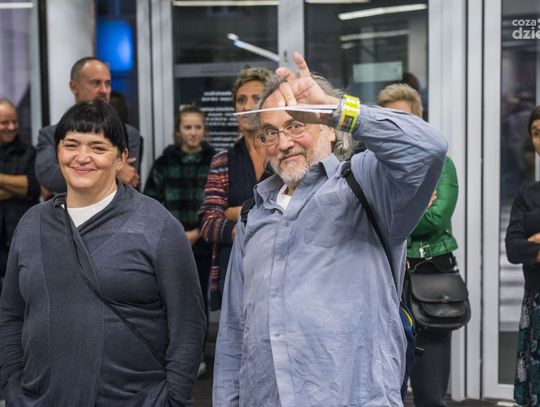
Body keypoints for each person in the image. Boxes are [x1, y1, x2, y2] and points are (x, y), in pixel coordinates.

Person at [212, 52, 447, 406]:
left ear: (329, 128)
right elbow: (233, 332)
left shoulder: (366, 185)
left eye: (297, 124)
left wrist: (337, 109)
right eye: (270, 132)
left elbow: (429, 148)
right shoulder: (253, 215)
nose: (283, 143)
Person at [0, 100, 205, 405]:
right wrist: (11, 385)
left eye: (98, 147)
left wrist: (172, 398)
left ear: (122, 159)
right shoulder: (32, 224)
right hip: (37, 398)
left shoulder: (158, 226)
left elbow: (187, 323)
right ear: (57, 152)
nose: (82, 157)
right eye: (71, 145)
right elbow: (10, 315)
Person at [378, 83, 459, 407]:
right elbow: (371, 220)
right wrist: (414, 207)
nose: (395, 128)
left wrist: (391, 215)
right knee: (387, 389)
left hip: (429, 280)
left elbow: (436, 218)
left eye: (403, 119)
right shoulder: (372, 167)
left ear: (419, 120)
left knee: (429, 392)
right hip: (386, 283)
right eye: (388, 120)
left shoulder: (440, 164)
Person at [144, 104, 215, 377]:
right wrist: (173, 235)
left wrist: (196, 233)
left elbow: (217, 203)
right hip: (169, 245)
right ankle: (172, 356)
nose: (193, 132)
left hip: (204, 243)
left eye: (198, 127)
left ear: (204, 130)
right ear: (178, 131)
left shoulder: (214, 161)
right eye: (187, 127)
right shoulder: (164, 163)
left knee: (198, 302)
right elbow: (151, 202)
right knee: (170, 301)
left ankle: (197, 356)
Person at [199, 66, 272, 310]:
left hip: (280, 272)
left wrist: (234, 212)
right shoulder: (223, 160)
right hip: (235, 272)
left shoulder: (284, 155)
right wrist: (260, 221)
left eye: (256, 98)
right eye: (241, 100)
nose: (247, 106)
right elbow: (209, 224)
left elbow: (295, 215)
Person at [35, 56, 141, 193]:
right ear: (74, 87)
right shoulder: (49, 134)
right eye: (96, 83)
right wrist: (114, 172)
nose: (104, 90)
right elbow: (48, 177)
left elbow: (129, 178)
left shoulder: (127, 133)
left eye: (108, 84)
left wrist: (73, 172)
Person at [505, 105, 540, 407]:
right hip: (536, 302)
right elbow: (514, 248)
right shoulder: (528, 194)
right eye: (536, 133)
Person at [0, 98, 40, 286]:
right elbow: (25, 186)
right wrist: (18, 186)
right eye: (4, 122)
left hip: (21, 234)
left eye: (14, 121)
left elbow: (34, 186)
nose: (11, 127)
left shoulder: (29, 152)